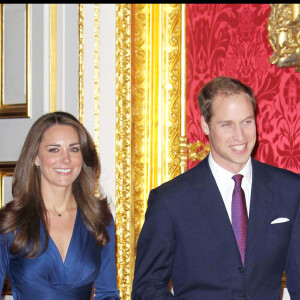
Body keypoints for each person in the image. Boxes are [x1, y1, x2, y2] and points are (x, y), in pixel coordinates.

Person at [132, 76, 300, 299]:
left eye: (247, 121)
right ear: (205, 124)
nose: (240, 136)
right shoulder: (169, 201)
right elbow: (147, 287)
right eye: (227, 124)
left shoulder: (289, 190)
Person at [0, 111, 120, 299]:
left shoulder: (98, 219)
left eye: (74, 149)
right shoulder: (10, 222)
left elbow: (107, 293)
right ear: (36, 157)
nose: (66, 159)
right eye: (54, 150)